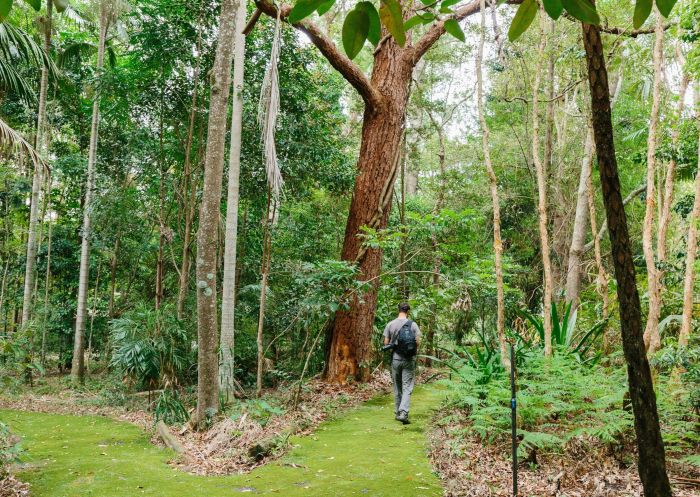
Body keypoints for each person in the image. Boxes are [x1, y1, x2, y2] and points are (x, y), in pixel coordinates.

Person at [383, 302, 421, 425]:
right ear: (408, 312)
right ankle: (403, 412)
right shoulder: (413, 325)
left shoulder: (390, 324)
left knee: (397, 386)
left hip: (396, 359)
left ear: (398, 310)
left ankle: (398, 411)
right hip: (409, 360)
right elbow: (417, 342)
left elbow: (386, 343)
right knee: (407, 387)